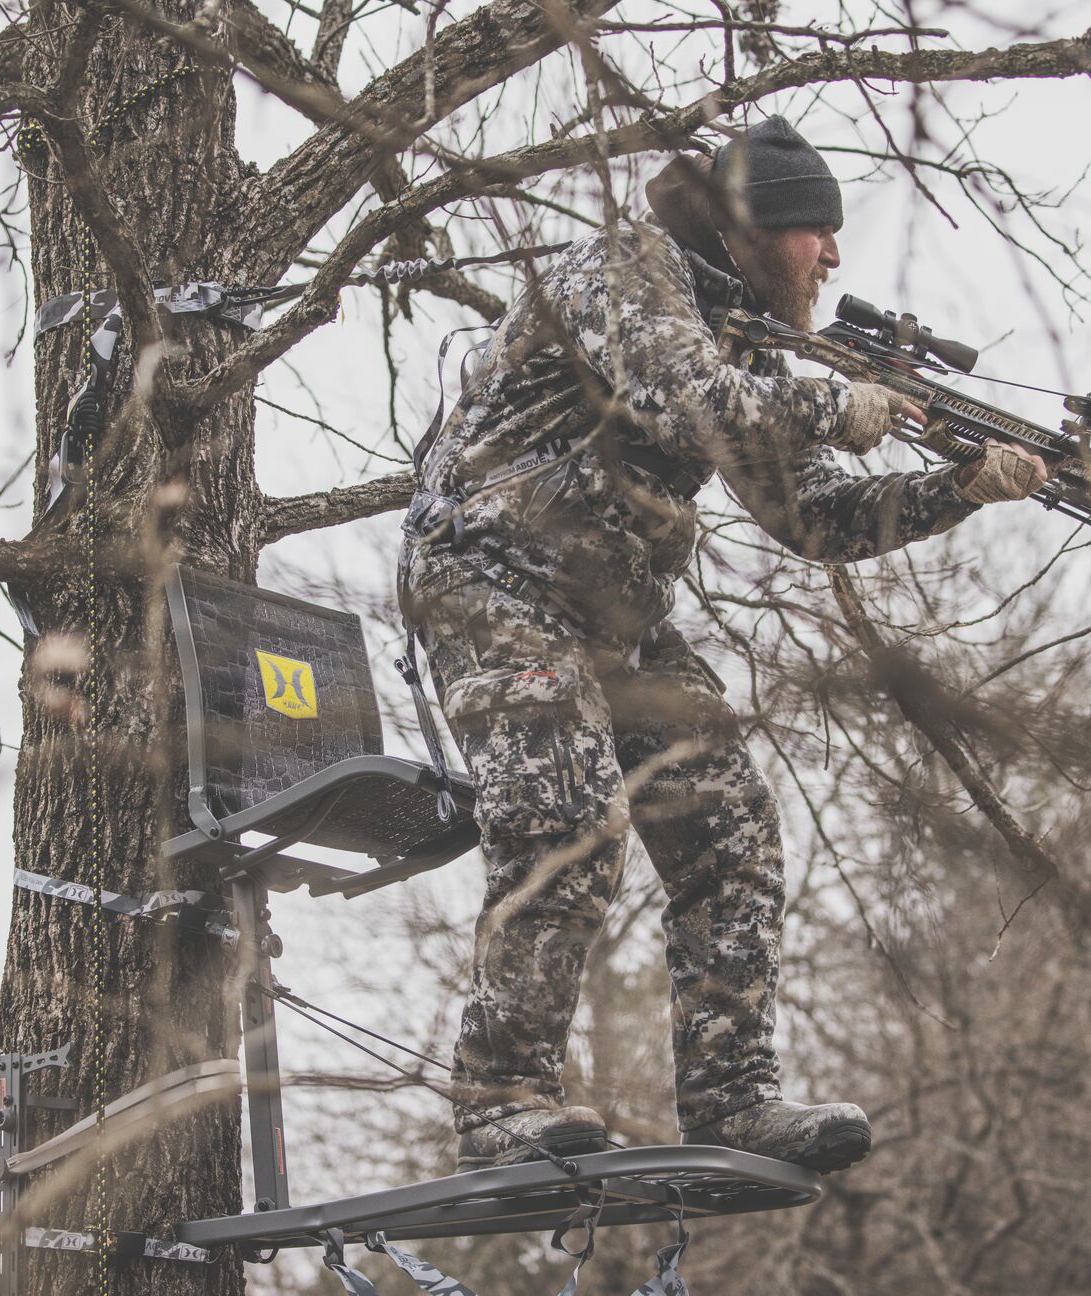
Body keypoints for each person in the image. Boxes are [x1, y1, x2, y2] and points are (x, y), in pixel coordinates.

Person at [397, 117, 1049, 1173]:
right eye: (815, 232)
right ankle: (503, 1097)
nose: (833, 257)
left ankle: (732, 1098)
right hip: (492, 583)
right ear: (753, 227)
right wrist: (837, 404)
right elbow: (698, 406)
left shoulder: (735, 331)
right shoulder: (625, 266)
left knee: (732, 829)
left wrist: (958, 487)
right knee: (564, 818)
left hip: (618, 617)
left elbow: (813, 520)